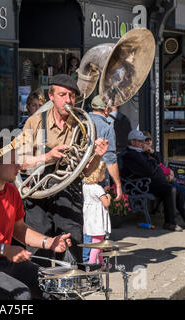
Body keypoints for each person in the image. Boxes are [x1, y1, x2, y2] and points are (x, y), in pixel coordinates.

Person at [0, 137, 72, 300]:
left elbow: (20, 229)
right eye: (13, 161)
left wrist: (49, 242)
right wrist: (4, 250)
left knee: (54, 287)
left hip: (4, 261)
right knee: (21, 296)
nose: (19, 166)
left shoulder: (12, 191)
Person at [19, 73, 109, 265]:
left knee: (71, 253)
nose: (68, 100)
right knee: (38, 253)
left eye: (72, 96)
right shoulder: (34, 122)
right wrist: (46, 157)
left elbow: (86, 171)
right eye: (62, 95)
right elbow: (19, 162)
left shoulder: (84, 125)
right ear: (51, 96)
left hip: (69, 193)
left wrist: (98, 155)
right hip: (38, 194)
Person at [83, 95, 122, 262]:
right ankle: (93, 261)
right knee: (98, 222)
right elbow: (110, 158)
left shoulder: (83, 122)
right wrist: (118, 184)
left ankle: (85, 257)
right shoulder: (107, 126)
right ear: (106, 109)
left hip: (81, 179)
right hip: (98, 179)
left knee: (86, 220)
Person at [119, 129, 182, 231]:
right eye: (140, 141)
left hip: (149, 182)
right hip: (141, 185)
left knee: (177, 189)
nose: (143, 143)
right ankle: (170, 223)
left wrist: (151, 153)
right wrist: (153, 162)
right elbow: (149, 170)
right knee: (170, 190)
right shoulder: (131, 154)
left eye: (143, 141)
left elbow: (157, 162)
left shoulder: (140, 152)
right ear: (133, 142)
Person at [82, 161, 111, 265]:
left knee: (97, 242)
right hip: (97, 219)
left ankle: (102, 263)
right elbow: (106, 203)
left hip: (89, 218)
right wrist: (108, 196)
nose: (103, 176)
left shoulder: (85, 186)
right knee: (97, 243)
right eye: (103, 173)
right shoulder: (98, 188)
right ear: (97, 175)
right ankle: (92, 264)